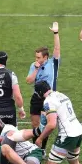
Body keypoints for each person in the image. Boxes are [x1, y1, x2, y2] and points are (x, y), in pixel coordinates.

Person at [26, 22, 61, 150]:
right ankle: (36, 148)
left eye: (38, 57)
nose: (36, 59)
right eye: (35, 57)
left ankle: (42, 149)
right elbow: (29, 81)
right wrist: (36, 69)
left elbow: (57, 49)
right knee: (35, 125)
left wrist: (55, 33)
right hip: (36, 98)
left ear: (45, 57)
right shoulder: (34, 65)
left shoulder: (53, 63)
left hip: (48, 99)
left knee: (44, 125)